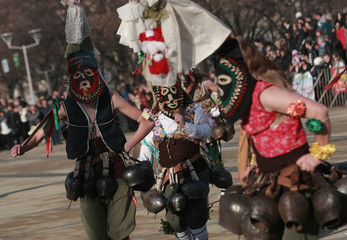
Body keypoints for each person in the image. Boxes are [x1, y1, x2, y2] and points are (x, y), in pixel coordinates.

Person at [11, 2, 154, 240]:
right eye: (77, 76)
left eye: (88, 74)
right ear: (71, 79)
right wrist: (23, 147)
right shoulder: (66, 107)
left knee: (120, 231)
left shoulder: (112, 99)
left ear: (95, 74)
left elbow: (146, 121)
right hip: (86, 174)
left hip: (117, 170)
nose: (84, 80)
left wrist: (128, 147)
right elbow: (41, 133)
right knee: (97, 234)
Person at [214, 35, 335, 239]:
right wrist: (257, 166)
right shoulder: (251, 98)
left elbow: (318, 112)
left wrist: (318, 153)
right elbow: (265, 136)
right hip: (270, 186)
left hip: (296, 187)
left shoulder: (266, 94)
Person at [138, 78, 212, 240]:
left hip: (195, 169)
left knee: (196, 216)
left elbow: (207, 131)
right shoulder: (152, 116)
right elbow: (146, 146)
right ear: (159, 96)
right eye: (165, 93)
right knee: (175, 219)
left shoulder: (193, 109)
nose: (171, 99)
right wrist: (142, 171)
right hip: (168, 175)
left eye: (173, 92)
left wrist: (186, 126)